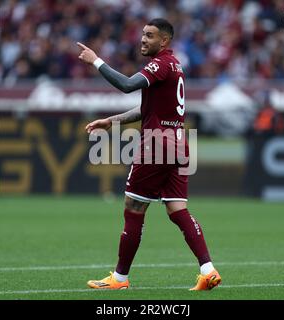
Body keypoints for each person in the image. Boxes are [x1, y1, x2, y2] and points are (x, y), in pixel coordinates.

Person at [78, 18, 221, 291]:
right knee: (177, 209)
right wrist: (113, 121)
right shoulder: (174, 66)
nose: (143, 39)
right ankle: (208, 270)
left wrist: (96, 61)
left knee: (133, 208)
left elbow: (127, 85)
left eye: (150, 36)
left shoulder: (161, 63)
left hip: (156, 145)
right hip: (178, 143)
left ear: (164, 41)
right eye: (143, 34)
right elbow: (150, 109)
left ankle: (119, 279)